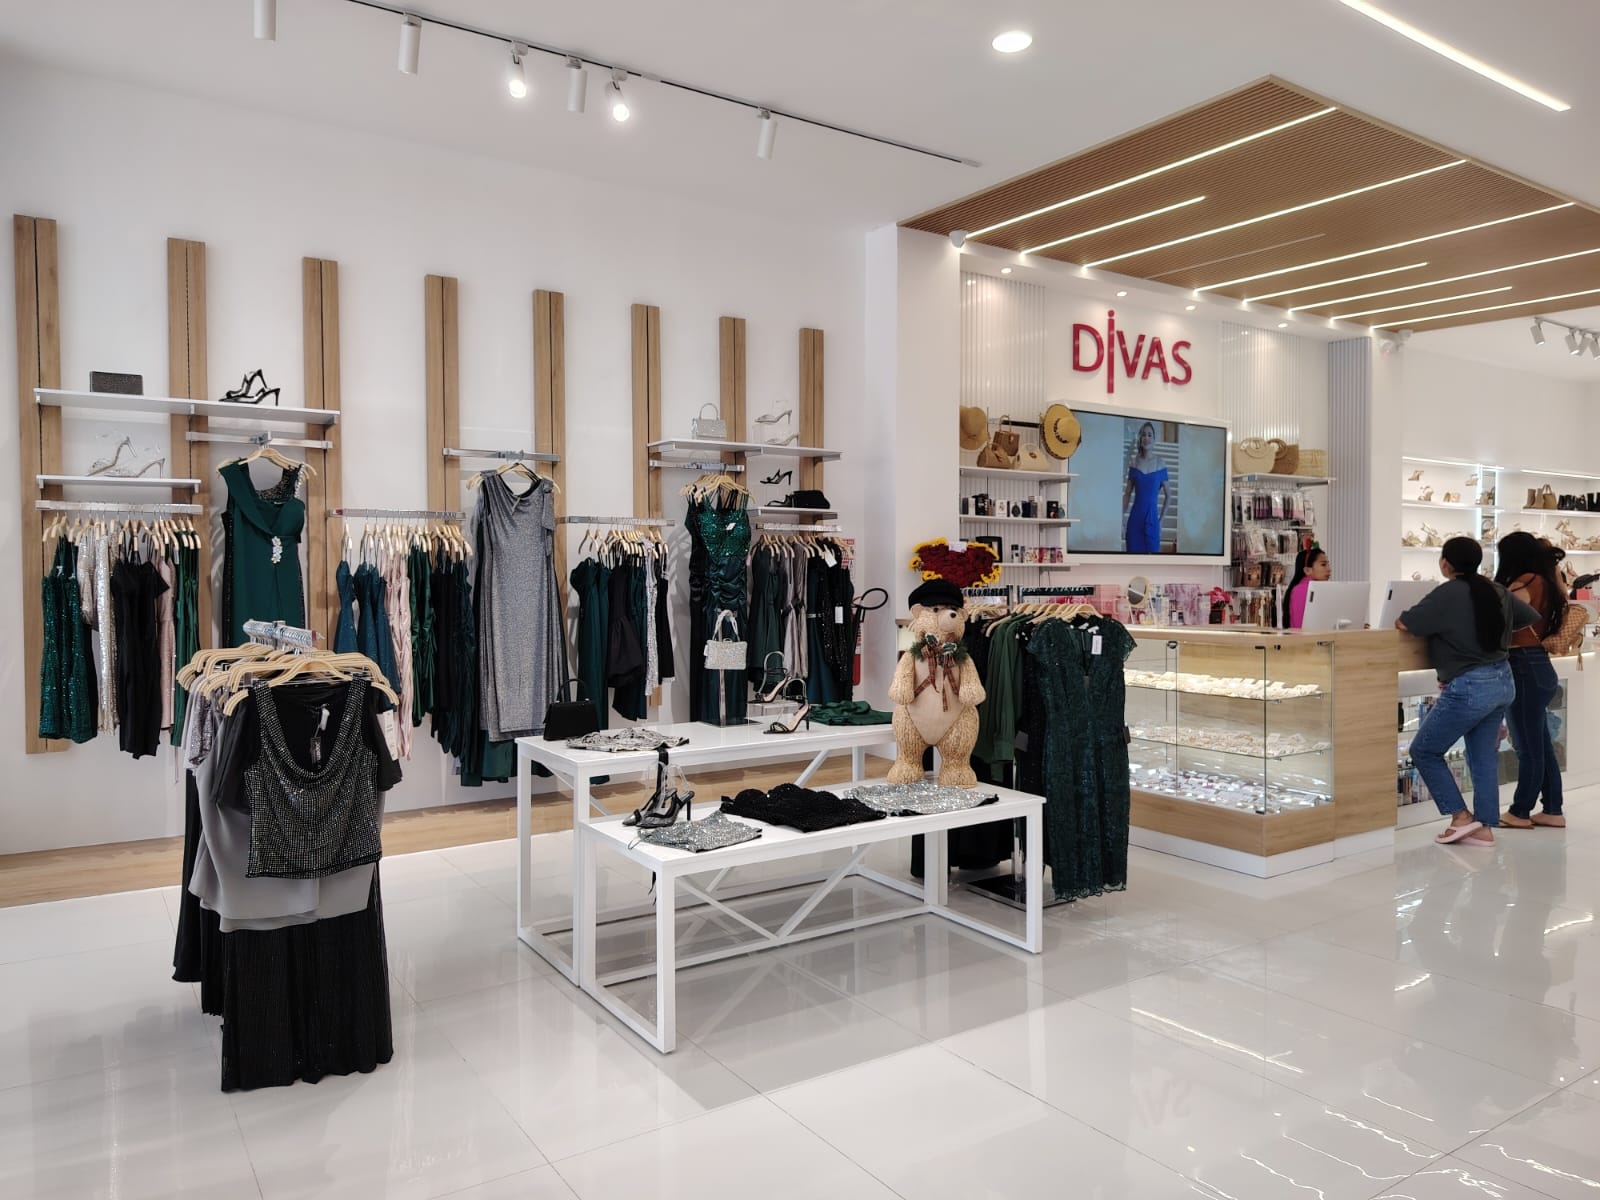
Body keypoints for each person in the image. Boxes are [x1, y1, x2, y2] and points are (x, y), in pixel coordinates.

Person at [1396, 536, 1537, 847]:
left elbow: (1405, 623)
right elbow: (1528, 617)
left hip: (1470, 686)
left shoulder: (1447, 593)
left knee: (1424, 751)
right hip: (1503, 680)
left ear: (1445, 563)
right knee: (1483, 757)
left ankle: (1460, 817)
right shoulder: (1495, 589)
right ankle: (1484, 827)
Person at [1495, 532, 1566, 828]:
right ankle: (1552, 809)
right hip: (1538, 664)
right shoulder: (1547, 580)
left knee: (1527, 747)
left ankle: (1520, 811)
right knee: (1541, 746)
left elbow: (1507, 621)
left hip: (1523, 664)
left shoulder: (1524, 582)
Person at [1123, 420, 1168, 553]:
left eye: (1149, 435)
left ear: (1154, 439)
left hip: (1152, 521)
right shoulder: (1134, 462)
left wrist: (1161, 521)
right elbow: (1127, 494)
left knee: (1152, 562)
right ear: (1140, 438)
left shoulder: (1160, 462)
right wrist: (1120, 519)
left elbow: (1169, 495)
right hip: (1134, 522)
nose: (1146, 438)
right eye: (1143, 434)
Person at [1283, 544, 1330, 629]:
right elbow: (1300, 625)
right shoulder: (1301, 590)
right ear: (1307, 570)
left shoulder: (1321, 588)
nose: (1329, 569)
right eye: (1323, 565)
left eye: (1328, 564)